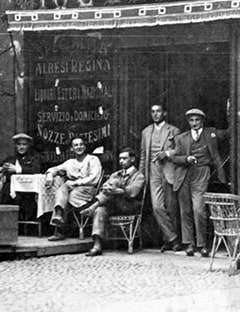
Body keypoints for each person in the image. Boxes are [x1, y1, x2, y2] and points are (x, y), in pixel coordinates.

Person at [172, 108, 229, 257]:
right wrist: (186, 159)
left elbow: (230, 133)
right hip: (184, 174)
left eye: (197, 120)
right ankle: (189, 243)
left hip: (202, 172)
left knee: (199, 209)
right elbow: (174, 158)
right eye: (191, 120)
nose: (194, 123)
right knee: (185, 211)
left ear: (202, 120)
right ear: (188, 122)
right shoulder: (181, 138)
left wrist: (234, 115)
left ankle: (202, 244)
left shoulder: (211, 133)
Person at [81, 147, 145, 257]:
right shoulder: (116, 173)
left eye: (124, 158)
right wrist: (111, 189)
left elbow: (133, 192)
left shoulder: (139, 176)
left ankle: (93, 205)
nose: (121, 161)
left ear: (133, 159)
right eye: (120, 159)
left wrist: (117, 190)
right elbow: (104, 188)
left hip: (129, 206)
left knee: (115, 182)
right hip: (113, 204)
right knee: (100, 210)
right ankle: (97, 246)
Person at [139, 104, 181, 252]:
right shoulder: (146, 132)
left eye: (158, 111)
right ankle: (173, 238)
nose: (155, 114)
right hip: (153, 172)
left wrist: (168, 153)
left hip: (169, 170)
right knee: (157, 207)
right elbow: (144, 155)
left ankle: (168, 241)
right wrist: (141, 175)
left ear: (164, 113)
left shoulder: (174, 130)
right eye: (153, 112)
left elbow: (181, 150)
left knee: (171, 208)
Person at [45, 136, 102, 241]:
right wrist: (50, 175)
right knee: (62, 189)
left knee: (66, 193)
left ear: (85, 147)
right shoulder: (70, 162)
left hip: (87, 190)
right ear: (71, 149)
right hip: (71, 190)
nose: (79, 147)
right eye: (76, 145)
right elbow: (55, 169)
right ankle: (58, 214)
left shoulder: (92, 160)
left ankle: (59, 229)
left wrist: (76, 183)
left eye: (81, 144)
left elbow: (94, 178)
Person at [0, 133, 40, 221]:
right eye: (19, 144)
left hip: (27, 191)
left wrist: (17, 170)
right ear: (15, 146)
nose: (21, 147)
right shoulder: (11, 158)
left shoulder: (33, 159)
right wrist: (2, 168)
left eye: (24, 144)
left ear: (28, 146)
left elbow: (35, 170)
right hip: (9, 190)